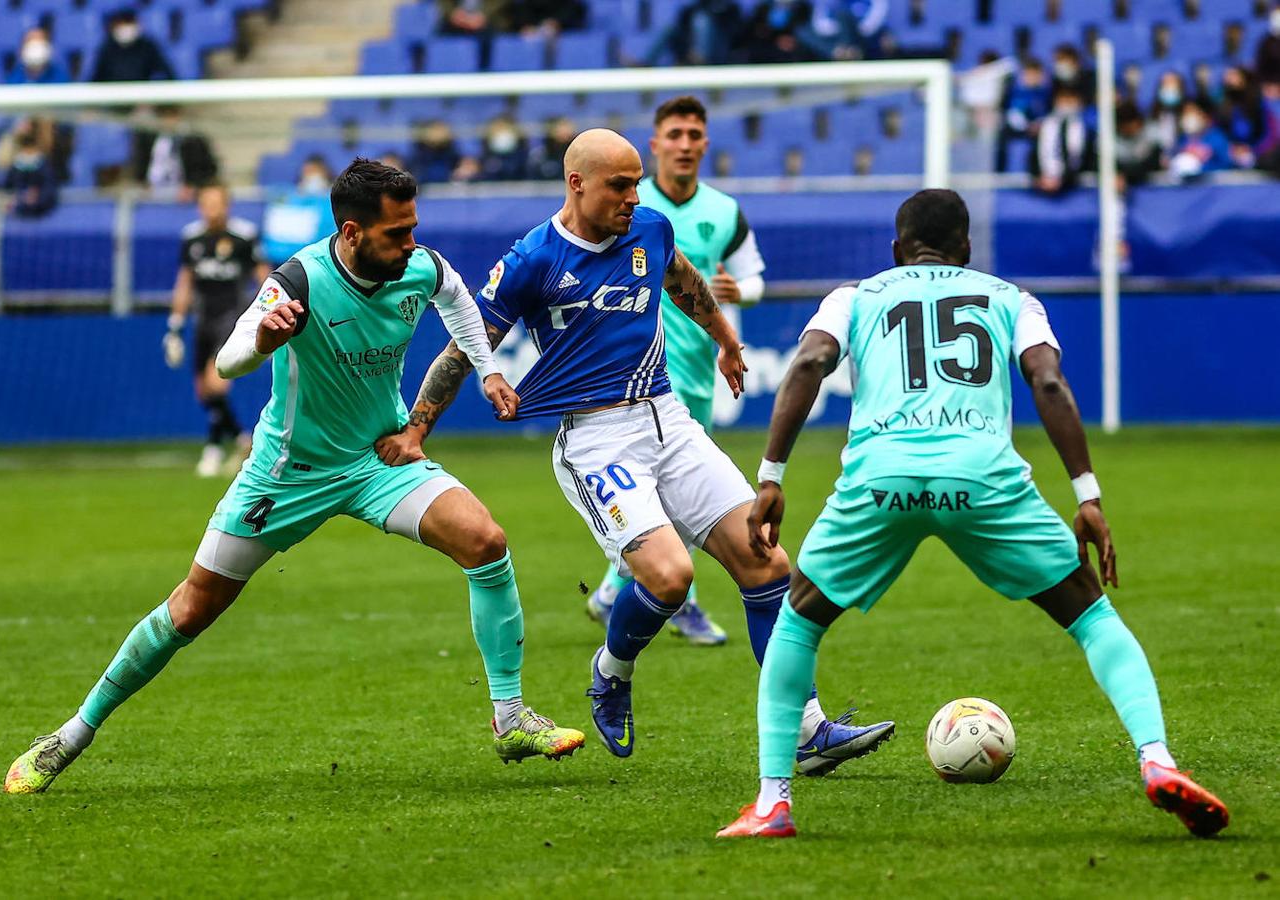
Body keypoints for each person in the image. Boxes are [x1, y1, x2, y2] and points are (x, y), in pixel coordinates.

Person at [2, 159, 584, 795]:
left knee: (486, 541)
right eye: (397, 233)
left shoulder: (422, 265)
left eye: (413, 227)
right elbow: (226, 363)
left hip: (375, 461)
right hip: (287, 474)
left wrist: (488, 369)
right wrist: (264, 340)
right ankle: (73, 733)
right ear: (353, 233)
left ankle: (510, 720)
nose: (410, 243)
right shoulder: (299, 279)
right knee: (193, 608)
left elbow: (457, 301)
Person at [716, 188, 1229, 839]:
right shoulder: (1010, 298)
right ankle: (1157, 761)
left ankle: (772, 803)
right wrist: (1087, 494)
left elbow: (811, 362)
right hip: (982, 478)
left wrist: (771, 477)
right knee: (1093, 616)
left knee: (797, 622)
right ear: (966, 249)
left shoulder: (854, 296)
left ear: (897, 250)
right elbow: (1047, 381)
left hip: (883, 480)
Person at [401, 129, 893, 770]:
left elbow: (684, 280)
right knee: (670, 575)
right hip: (595, 439)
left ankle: (806, 731)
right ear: (576, 183)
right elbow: (467, 342)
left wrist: (724, 338)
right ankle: (611, 670)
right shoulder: (532, 258)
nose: (635, 196)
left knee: (768, 562)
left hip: (672, 422)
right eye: (620, 185)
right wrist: (417, 430)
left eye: (637, 183)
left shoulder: (651, 229)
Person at [584, 96, 769, 647]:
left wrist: (744, 293)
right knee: (677, 498)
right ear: (656, 144)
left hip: (692, 369)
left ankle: (613, 593)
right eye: (676, 134)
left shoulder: (724, 211)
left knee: (675, 493)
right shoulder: (623, 207)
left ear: (705, 144)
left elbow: (754, 278)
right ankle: (680, 602)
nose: (686, 144)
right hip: (635, 375)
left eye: (695, 134)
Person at [163, 183, 268, 477]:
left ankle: (212, 448)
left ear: (227, 205)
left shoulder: (243, 236)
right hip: (204, 319)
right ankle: (240, 438)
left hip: (233, 317)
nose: (211, 209)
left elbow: (265, 280)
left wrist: (270, 316)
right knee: (203, 391)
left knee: (217, 382)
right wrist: (174, 326)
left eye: (216, 203)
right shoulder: (192, 238)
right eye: (206, 203)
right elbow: (184, 283)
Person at [261, 155, 337, 266]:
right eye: (307, 172)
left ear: (325, 174)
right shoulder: (286, 198)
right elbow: (271, 238)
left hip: (317, 264)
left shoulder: (332, 201)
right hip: (280, 264)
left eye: (315, 172)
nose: (310, 177)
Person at [133, 105, 220, 200]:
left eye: (172, 115)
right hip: (152, 189)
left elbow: (209, 169)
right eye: (164, 116)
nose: (169, 121)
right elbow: (139, 166)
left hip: (183, 191)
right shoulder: (147, 139)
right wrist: (143, 184)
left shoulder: (194, 140)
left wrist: (192, 186)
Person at [1031, 85, 1094, 195]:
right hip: (1045, 179)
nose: (1067, 104)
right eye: (1063, 99)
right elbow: (1033, 154)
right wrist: (1038, 176)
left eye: (1071, 100)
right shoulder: (1045, 125)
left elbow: (1088, 158)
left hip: (1073, 184)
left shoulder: (1087, 129)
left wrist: (1064, 179)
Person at [90, 9, 175, 83]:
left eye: (129, 23)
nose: (126, 28)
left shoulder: (148, 46)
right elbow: (96, 79)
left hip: (142, 97)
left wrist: (152, 96)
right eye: (121, 24)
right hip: (114, 98)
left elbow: (166, 74)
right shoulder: (107, 48)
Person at [995, 57, 1049, 172]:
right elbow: (1012, 113)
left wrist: (1040, 124)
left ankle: (1038, 173)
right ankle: (999, 173)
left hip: (1040, 129)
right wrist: (1026, 126)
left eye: (1036, 74)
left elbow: (1048, 113)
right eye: (1029, 74)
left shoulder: (1046, 93)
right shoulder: (1014, 92)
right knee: (1001, 137)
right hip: (1017, 128)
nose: (1032, 77)